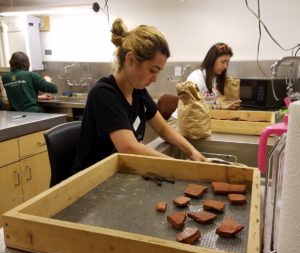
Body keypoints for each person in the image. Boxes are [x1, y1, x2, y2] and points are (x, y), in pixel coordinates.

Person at [74, 18, 206, 172]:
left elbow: (163, 129)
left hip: (120, 173)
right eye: (152, 70)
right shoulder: (104, 94)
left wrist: (193, 152)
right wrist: (180, 167)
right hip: (93, 180)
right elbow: (129, 148)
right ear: (130, 60)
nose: (155, 78)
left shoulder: (138, 92)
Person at [186, 42, 240, 110]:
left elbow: (214, 102)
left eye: (227, 63)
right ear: (212, 60)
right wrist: (219, 107)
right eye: (223, 62)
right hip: (183, 119)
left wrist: (228, 104)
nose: (225, 66)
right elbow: (193, 107)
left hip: (206, 117)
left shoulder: (217, 78)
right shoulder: (196, 78)